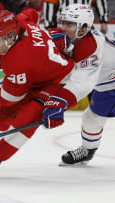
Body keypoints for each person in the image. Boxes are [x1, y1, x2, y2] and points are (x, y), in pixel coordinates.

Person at [0, 9, 74, 179]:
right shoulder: (19, 21)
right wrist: (1, 54)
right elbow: (32, 13)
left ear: (10, 37)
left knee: (27, 118)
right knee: (4, 113)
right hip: (37, 75)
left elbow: (11, 97)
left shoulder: (19, 61)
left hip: (57, 80)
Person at [42, 4, 115, 166]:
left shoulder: (92, 47)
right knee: (91, 118)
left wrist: (60, 101)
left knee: (92, 118)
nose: (63, 28)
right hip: (107, 85)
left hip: (110, 81)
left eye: (69, 25)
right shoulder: (71, 37)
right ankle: (88, 151)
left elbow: (82, 82)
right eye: (63, 23)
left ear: (82, 29)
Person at [43, 0, 109, 34]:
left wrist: (104, 21)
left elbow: (100, 2)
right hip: (64, 23)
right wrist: (48, 25)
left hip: (85, 23)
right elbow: (49, 4)